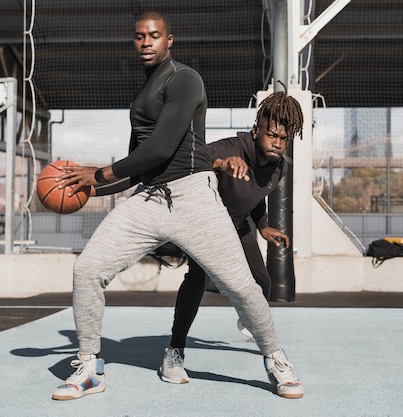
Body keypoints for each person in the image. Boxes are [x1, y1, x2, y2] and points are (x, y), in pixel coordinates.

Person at [50, 11, 303, 401]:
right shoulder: (140, 97)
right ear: (134, 43)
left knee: (244, 288)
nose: (147, 42)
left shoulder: (185, 80)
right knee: (87, 269)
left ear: (170, 41)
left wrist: (96, 173)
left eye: (155, 35)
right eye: (139, 37)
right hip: (149, 199)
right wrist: (89, 192)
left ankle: (275, 359)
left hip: (192, 197)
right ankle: (88, 366)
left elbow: (163, 147)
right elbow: (141, 165)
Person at [161, 90, 304, 385]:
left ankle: (249, 319)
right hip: (205, 221)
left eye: (284, 138)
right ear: (256, 131)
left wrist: (263, 226)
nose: (277, 142)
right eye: (272, 135)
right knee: (197, 279)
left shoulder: (280, 166)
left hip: (236, 224)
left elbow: (257, 193)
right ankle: (174, 351)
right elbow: (189, 160)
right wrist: (221, 164)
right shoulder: (230, 148)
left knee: (263, 282)